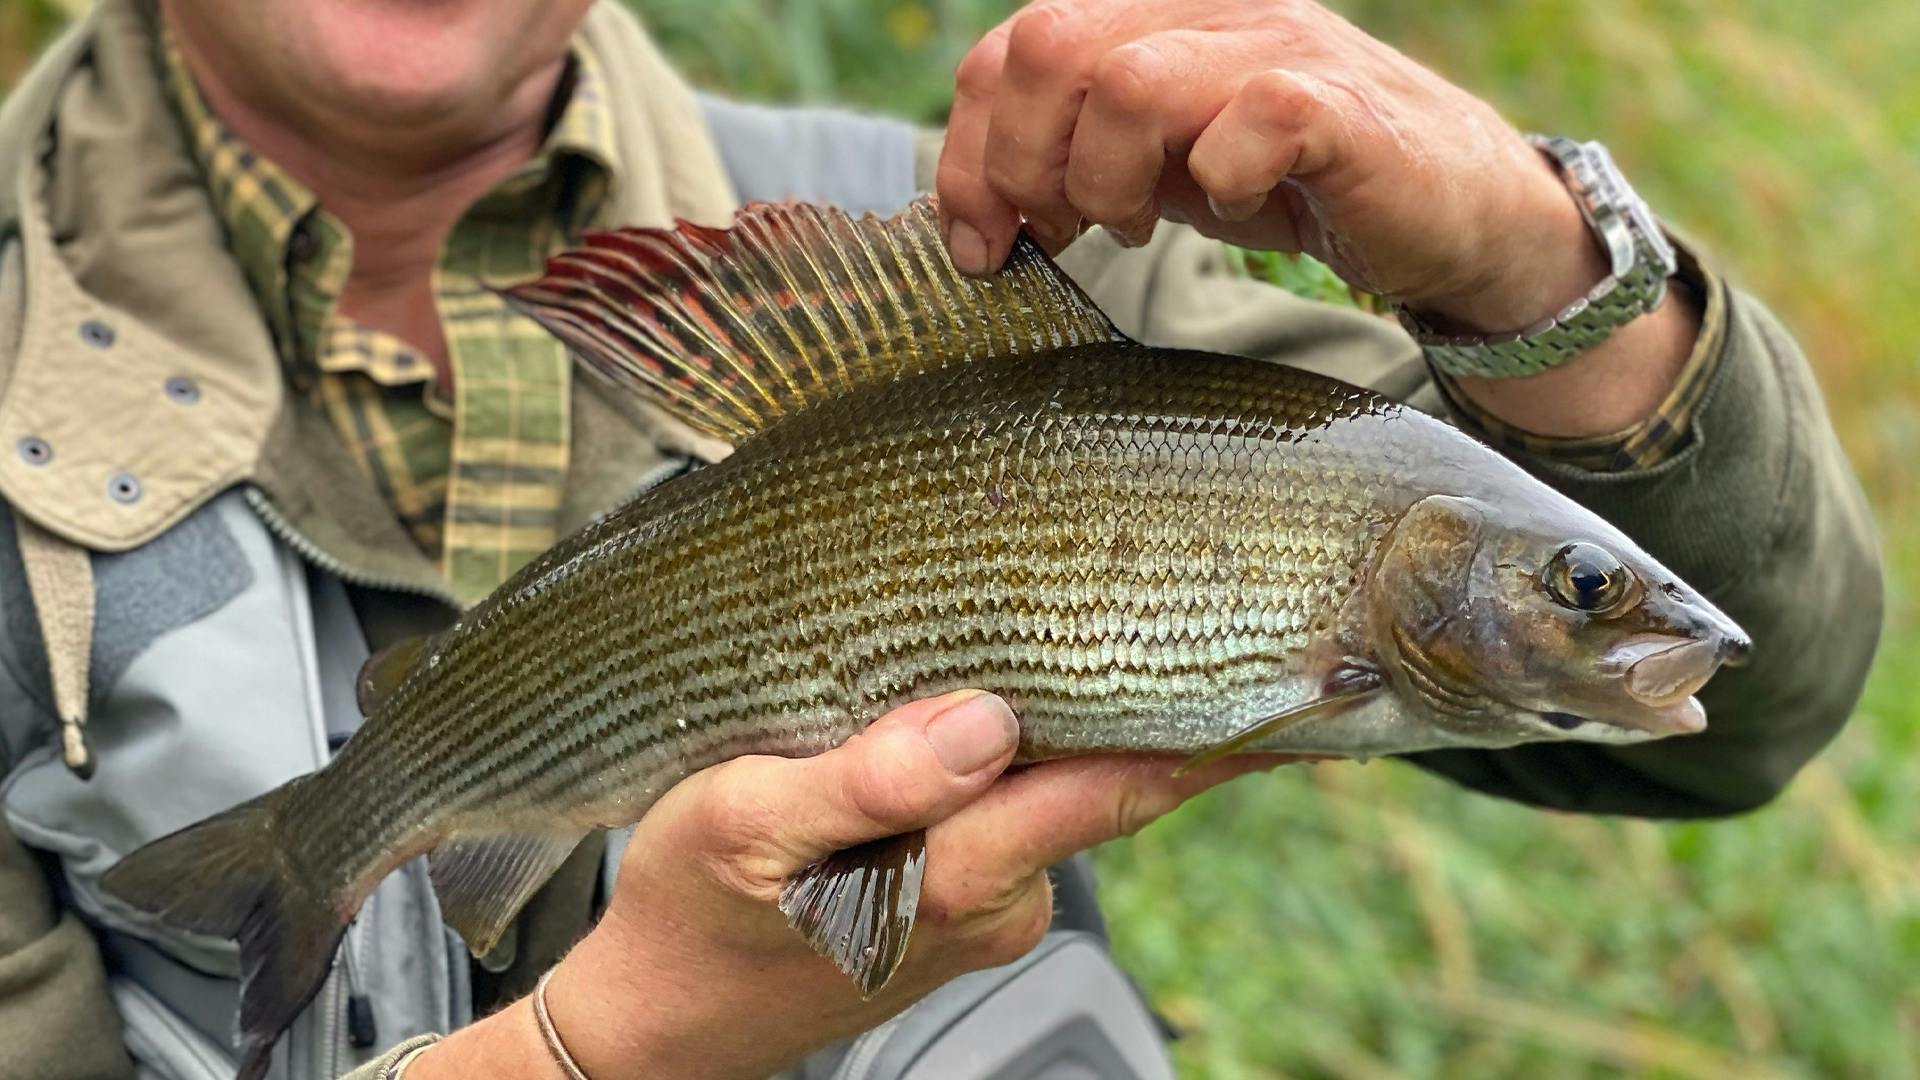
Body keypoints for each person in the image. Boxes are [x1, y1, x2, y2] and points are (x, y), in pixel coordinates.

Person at [0, 0, 1881, 1077]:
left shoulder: (993, 253)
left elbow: (1760, 704)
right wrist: (601, 1051)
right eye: (1573, 583)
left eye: (1574, 587)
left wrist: (1543, 275)